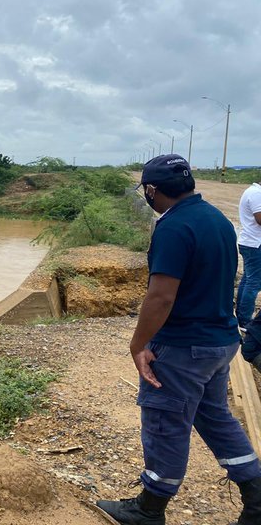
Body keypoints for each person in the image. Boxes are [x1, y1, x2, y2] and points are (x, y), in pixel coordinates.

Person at [96, 155, 261, 525]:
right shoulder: (216, 220)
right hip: (220, 343)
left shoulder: (173, 227)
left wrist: (138, 345)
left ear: (152, 191)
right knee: (214, 416)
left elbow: (161, 296)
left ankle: (149, 509)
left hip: (183, 348)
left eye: (146, 192)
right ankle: (257, 498)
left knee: (165, 422)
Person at [237, 181, 261, 328]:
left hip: (250, 242)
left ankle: (241, 315)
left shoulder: (252, 191)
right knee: (254, 283)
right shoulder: (257, 193)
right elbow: (259, 219)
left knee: (247, 280)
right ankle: (245, 320)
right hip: (255, 244)